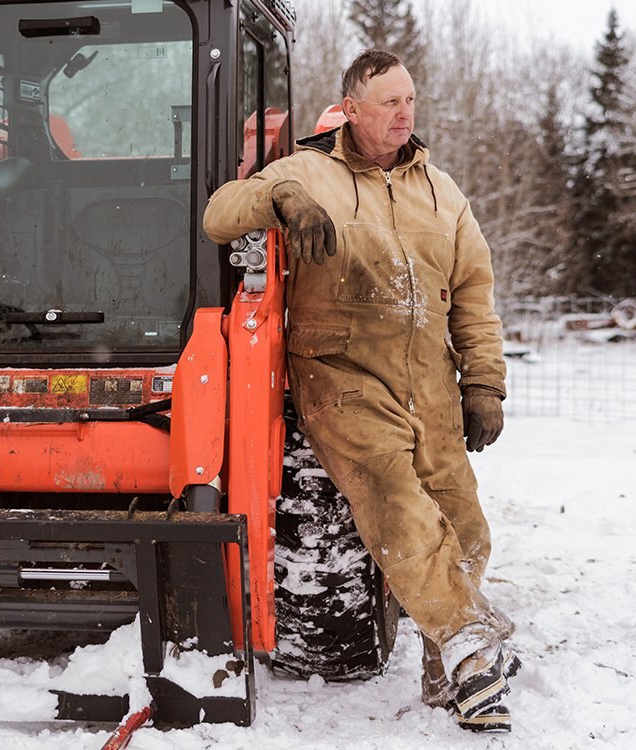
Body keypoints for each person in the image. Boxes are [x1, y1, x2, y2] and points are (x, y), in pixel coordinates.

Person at [203, 49, 519, 733]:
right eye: (389, 102)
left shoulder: (442, 192)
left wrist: (484, 384)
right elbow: (220, 212)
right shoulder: (309, 172)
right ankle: (468, 649)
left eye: (410, 99)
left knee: (463, 525)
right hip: (340, 376)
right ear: (351, 110)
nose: (405, 113)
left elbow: (473, 296)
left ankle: (449, 670)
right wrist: (276, 198)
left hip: (428, 382)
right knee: (396, 503)